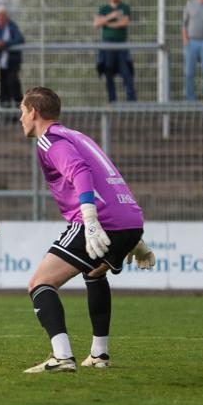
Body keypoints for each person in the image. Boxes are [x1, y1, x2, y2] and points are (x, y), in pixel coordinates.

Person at [18, 87, 155, 374]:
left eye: (22, 112)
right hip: (128, 220)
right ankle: (99, 354)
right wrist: (135, 240)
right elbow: (110, 178)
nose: (20, 119)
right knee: (94, 272)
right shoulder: (77, 136)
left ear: (33, 112)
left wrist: (90, 220)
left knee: (39, 284)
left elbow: (80, 172)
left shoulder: (50, 141)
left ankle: (62, 357)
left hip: (100, 221)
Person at [94, 0, 136, 103]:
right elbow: (96, 23)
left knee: (126, 72)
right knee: (108, 73)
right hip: (107, 45)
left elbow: (125, 22)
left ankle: (131, 101)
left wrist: (107, 23)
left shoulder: (124, 7)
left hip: (121, 45)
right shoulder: (104, 9)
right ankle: (112, 102)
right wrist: (111, 16)